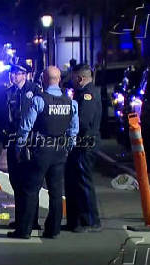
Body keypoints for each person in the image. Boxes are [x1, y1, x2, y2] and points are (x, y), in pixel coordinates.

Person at [7, 66, 78, 239]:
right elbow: (73, 129)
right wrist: (68, 147)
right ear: (59, 79)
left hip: (40, 150)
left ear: (43, 80)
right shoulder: (71, 102)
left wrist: (19, 147)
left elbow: (25, 127)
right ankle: (53, 230)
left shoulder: (38, 100)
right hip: (60, 150)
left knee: (30, 190)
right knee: (55, 192)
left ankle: (24, 230)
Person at [0, 59, 42, 231]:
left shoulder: (34, 91)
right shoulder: (7, 93)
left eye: (17, 73)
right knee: (16, 182)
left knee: (29, 184)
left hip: (29, 143)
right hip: (13, 142)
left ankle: (31, 221)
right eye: (12, 73)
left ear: (25, 75)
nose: (13, 76)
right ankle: (21, 219)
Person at [64, 64, 102, 233]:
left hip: (85, 144)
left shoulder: (87, 95)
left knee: (83, 182)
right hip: (81, 144)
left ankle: (90, 221)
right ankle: (76, 220)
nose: (72, 81)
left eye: (73, 78)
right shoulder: (84, 93)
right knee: (75, 182)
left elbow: (83, 121)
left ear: (80, 78)